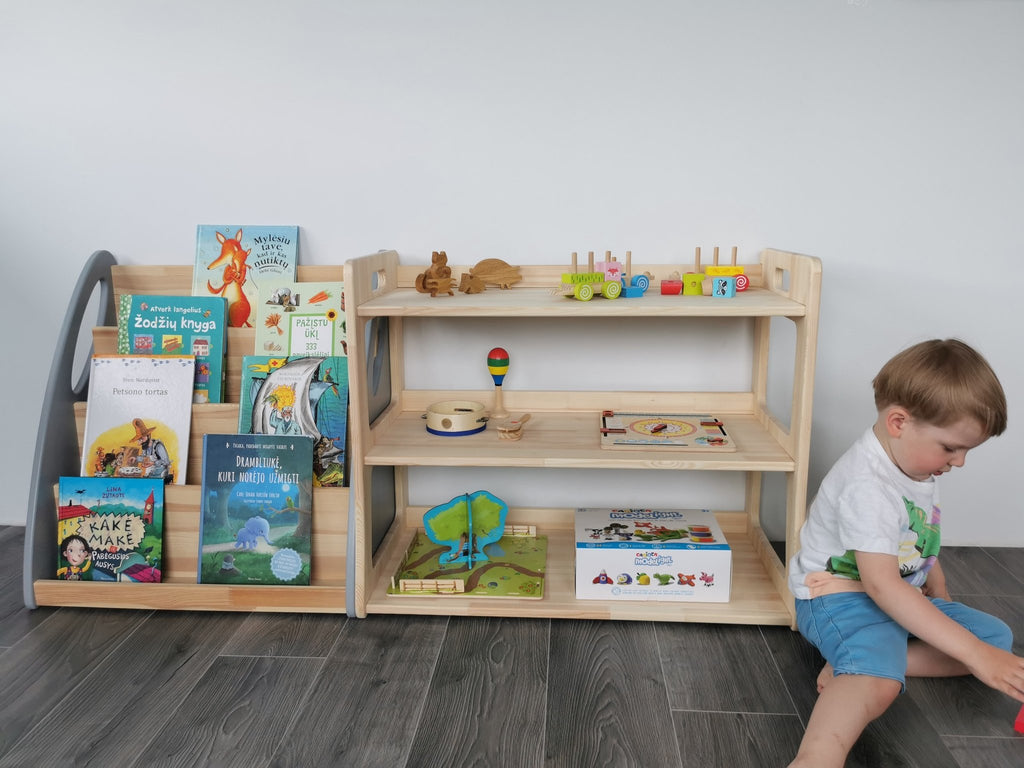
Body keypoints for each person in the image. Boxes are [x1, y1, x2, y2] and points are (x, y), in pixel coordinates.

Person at [787, 339, 1024, 767]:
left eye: (967, 450)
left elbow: (912, 535)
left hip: (893, 594)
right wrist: (973, 656)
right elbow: (881, 586)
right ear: (899, 421)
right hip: (839, 600)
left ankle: (858, 663)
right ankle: (818, 756)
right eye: (951, 448)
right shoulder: (867, 486)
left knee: (995, 640)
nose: (959, 462)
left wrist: (938, 585)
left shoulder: (910, 462)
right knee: (883, 684)